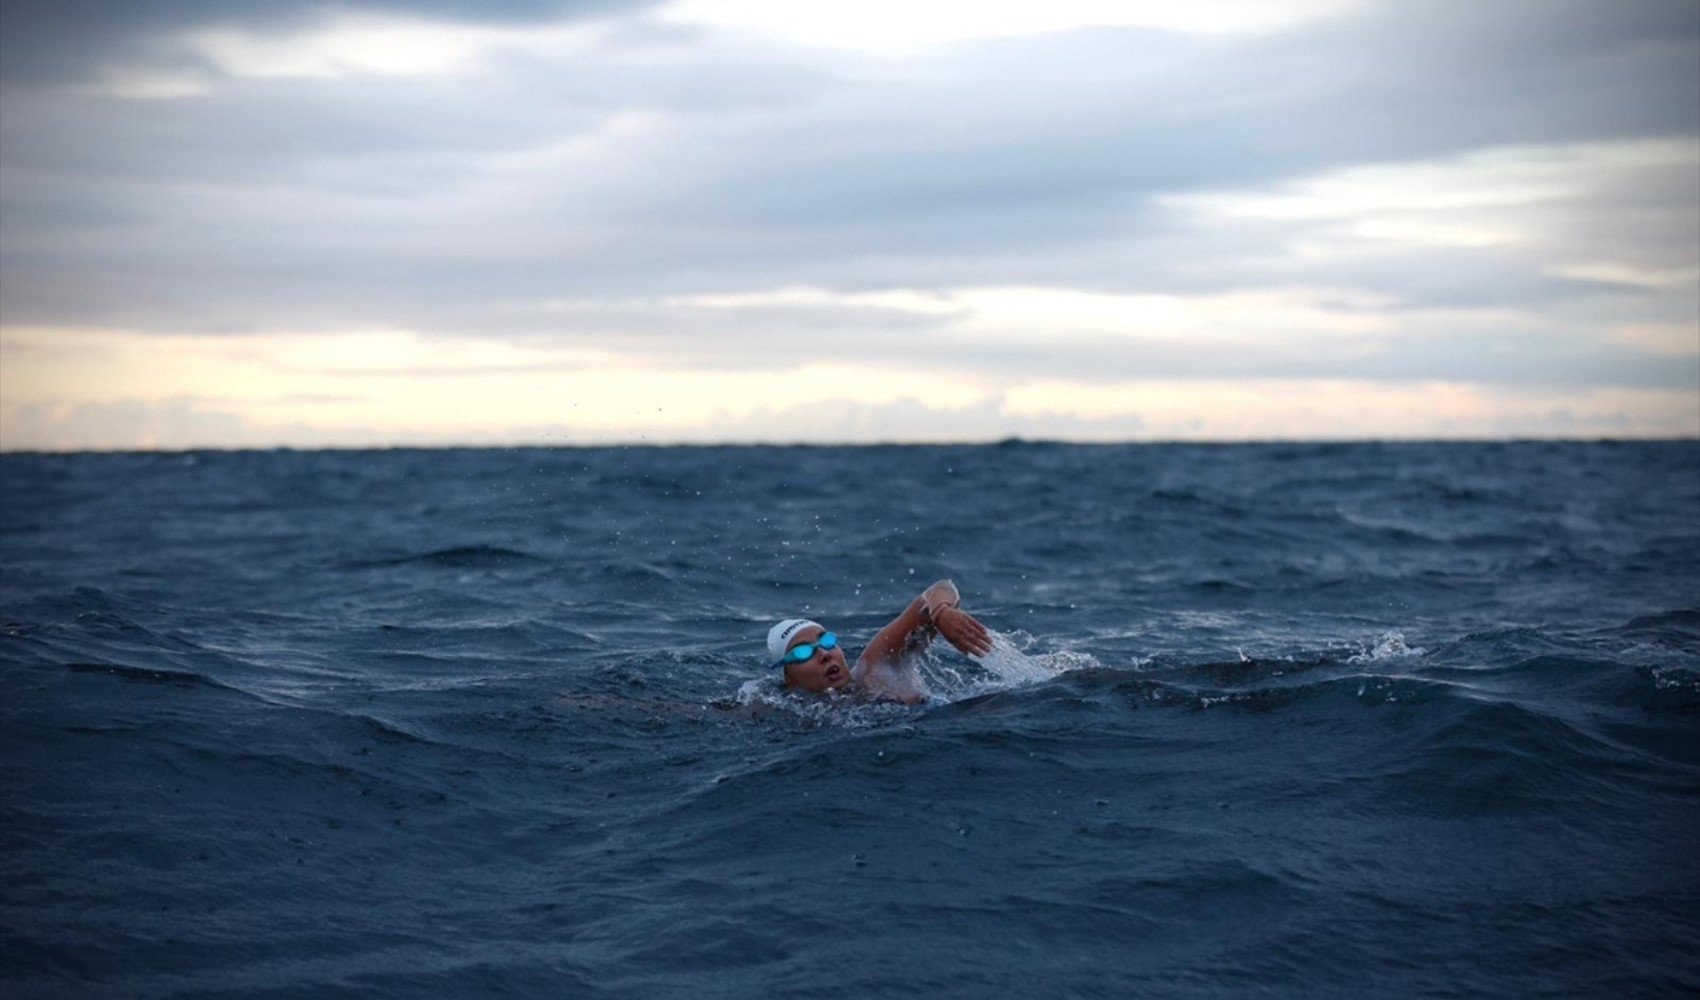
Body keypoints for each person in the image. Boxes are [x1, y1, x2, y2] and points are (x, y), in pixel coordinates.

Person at [766, 579, 993, 704]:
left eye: (826, 641)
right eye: (803, 652)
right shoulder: (795, 716)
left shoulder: (875, 667)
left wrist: (941, 611)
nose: (824, 654)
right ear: (789, 680)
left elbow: (938, 589)